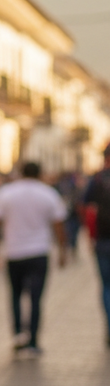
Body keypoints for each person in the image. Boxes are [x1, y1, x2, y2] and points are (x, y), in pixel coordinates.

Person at [0, 161, 67, 357]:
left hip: (14, 252)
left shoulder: (7, 193)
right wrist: (63, 250)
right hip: (39, 251)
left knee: (15, 294)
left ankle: (17, 334)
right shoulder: (48, 193)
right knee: (36, 297)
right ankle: (33, 340)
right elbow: (58, 224)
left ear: (21, 173)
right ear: (40, 173)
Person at [84, 143, 110, 345]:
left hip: (103, 240)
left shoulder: (98, 179)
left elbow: (85, 207)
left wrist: (89, 236)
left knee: (107, 287)